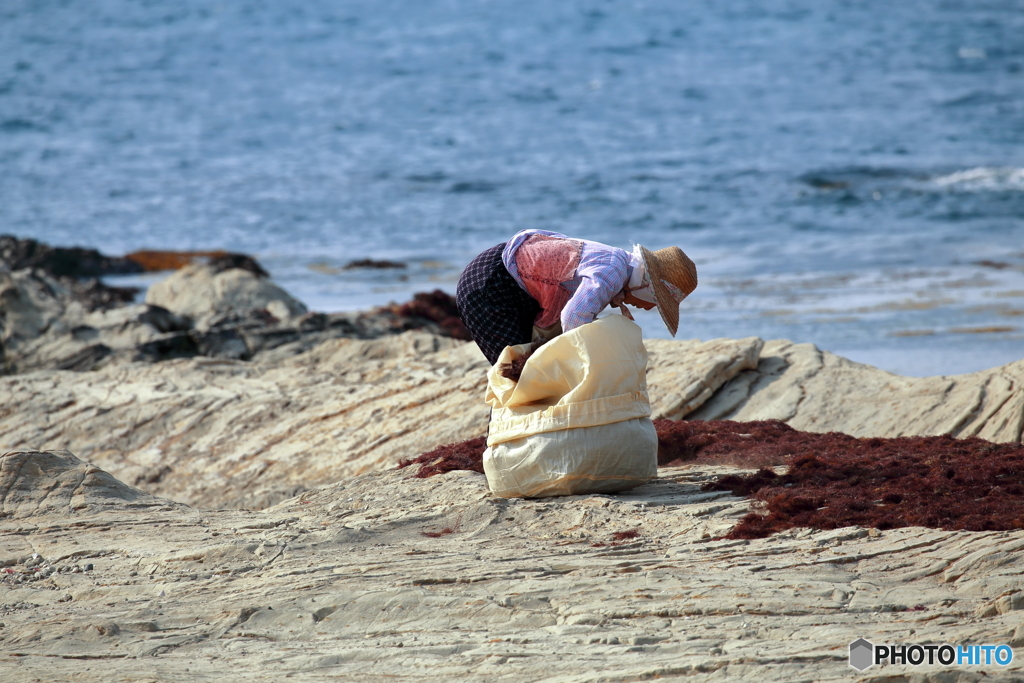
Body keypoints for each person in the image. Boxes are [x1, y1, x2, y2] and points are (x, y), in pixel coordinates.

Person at [456, 228, 698, 365]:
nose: (648, 309)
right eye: (656, 303)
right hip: (490, 286)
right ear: (648, 287)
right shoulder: (612, 273)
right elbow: (573, 318)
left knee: (530, 371)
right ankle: (500, 448)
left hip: (516, 285)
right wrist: (585, 363)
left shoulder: (617, 264)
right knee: (516, 375)